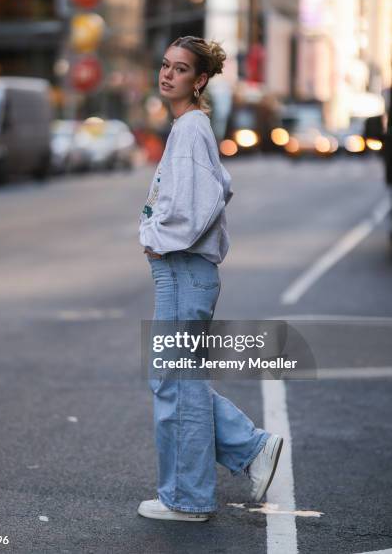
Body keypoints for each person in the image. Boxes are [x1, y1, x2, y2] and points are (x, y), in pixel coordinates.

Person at [138, 36, 283, 522]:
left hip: (182, 269)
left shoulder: (191, 128)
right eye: (165, 66)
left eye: (179, 69)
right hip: (182, 272)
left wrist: (159, 236)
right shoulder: (189, 127)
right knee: (177, 378)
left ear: (199, 80)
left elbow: (200, 201)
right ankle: (251, 448)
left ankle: (188, 498)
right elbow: (220, 186)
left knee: (177, 382)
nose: (167, 75)